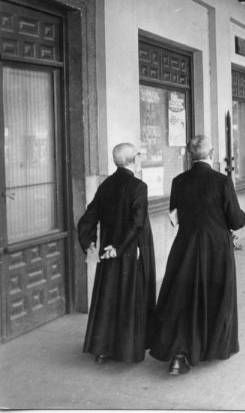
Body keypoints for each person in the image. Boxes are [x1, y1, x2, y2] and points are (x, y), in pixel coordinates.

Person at [149, 134, 245, 375]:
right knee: (216, 295)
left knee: (182, 296)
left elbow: (175, 217)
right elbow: (236, 219)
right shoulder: (222, 181)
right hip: (216, 248)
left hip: (186, 246)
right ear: (211, 155)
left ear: (190, 156)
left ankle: (179, 355)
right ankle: (213, 347)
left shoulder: (178, 181)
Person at [77, 142, 156, 363]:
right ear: (134, 160)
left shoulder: (106, 185)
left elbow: (87, 218)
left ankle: (102, 349)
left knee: (109, 297)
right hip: (132, 251)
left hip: (108, 251)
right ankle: (128, 350)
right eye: (138, 155)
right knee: (131, 297)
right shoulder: (138, 186)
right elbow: (137, 224)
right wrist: (120, 248)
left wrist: (90, 244)